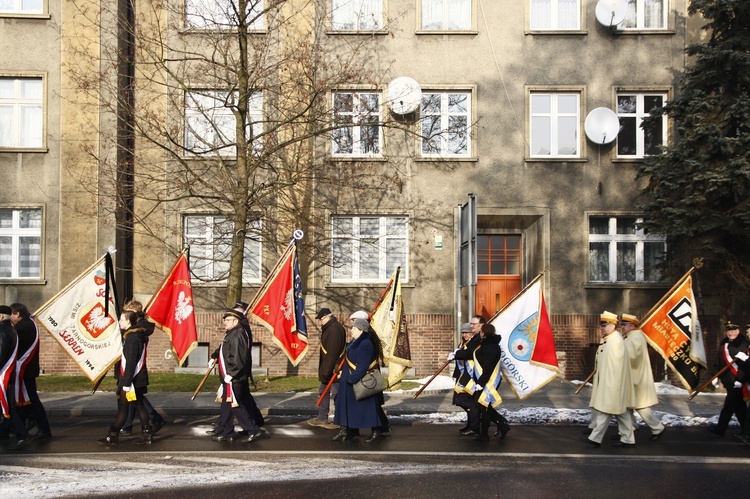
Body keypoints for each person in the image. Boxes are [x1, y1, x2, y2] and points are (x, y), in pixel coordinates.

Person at [582, 311, 636, 448]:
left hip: (613, 385)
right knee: (620, 413)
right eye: (601, 325)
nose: (601, 328)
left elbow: (617, 367)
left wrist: (612, 387)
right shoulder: (608, 339)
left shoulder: (615, 341)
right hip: (609, 384)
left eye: (604, 325)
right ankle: (628, 440)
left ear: (612, 326)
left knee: (606, 411)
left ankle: (595, 438)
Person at [98, 310, 153, 445]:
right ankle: (147, 434)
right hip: (138, 378)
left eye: (121, 319)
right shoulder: (136, 335)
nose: (119, 322)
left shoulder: (133, 338)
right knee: (139, 405)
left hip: (131, 379)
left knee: (124, 408)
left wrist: (126, 383)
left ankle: (112, 436)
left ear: (128, 321)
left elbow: (131, 362)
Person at [210, 308, 263, 443]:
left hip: (234, 377)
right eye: (225, 320)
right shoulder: (231, 333)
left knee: (236, 405)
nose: (225, 323)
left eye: (228, 320)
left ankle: (253, 430)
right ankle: (227, 432)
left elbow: (238, 358)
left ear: (236, 321)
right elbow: (225, 351)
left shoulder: (238, 335)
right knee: (227, 405)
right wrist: (214, 356)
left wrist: (232, 374)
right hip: (229, 377)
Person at [120, 300, 166, 436]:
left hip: (134, 369)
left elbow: (134, 354)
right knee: (135, 398)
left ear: (134, 313)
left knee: (136, 398)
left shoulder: (138, 330)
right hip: (130, 368)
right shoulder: (136, 328)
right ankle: (133, 424)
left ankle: (130, 425)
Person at [332, 318, 382, 442]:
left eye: (354, 328)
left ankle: (376, 430)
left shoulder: (365, 343)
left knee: (367, 409)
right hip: (347, 381)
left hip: (357, 381)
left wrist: (352, 379)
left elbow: (363, 365)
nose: (351, 330)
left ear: (361, 330)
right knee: (344, 407)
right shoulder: (354, 342)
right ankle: (344, 430)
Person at [10, 302, 51, 446]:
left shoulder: (22, 327)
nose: (10, 318)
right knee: (29, 398)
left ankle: (42, 427)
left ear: (17, 314)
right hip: (28, 368)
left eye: (11, 315)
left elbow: (15, 347)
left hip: (25, 369)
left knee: (31, 399)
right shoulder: (29, 323)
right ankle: (27, 423)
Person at [621, 313, 666, 441]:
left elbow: (632, 357)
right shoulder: (631, 336)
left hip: (635, 377)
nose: (622, 327)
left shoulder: (634, 337)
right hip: (632, 376)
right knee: (627, 404)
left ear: (631, 325)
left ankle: (657, 427)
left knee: (640, 405)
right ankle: (631, 428)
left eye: (624, 325)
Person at [351, 309, 390, 441]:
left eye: (354, 322)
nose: (352, 326)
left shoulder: (369, 338)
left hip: (369, 376)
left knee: (372, 405)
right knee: (373, 406)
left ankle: (378, 428)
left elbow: (368, 357)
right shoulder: (367, 336)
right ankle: (382, 426)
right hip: (368, 373)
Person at [306, 307, 346, 430]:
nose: (320, 321)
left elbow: (332, 353)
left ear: (328, 316)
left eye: (322, 319)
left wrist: (327, 371)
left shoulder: (334, 330)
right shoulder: (330, 328)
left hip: (333, 369)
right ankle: (322, 417)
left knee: (336, 394)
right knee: (323, 392)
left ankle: (339, 419)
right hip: (328, 368)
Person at [707, 321, 749, 437]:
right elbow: (719, 361)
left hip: (736, 381)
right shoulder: (724, 342)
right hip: (728, 380)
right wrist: (715, 376)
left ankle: (720, 429)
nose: (731, 333)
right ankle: (747, 430)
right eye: (729, 331)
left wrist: (740, 380)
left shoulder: (743, 343)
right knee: (739, 407)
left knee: (729, 406)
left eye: (733, 330)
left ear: (738, 331)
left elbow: (744, 365)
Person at [0, 305, 28, 445]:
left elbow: (1, 354)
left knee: (9, 406)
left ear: (1, 316)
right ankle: (4, 431)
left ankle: (21, 433)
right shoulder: (10, 329)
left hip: (3, 374)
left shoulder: (3, 331)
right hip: (8, 374)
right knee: (5, 405)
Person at [452, 322, 480, 434]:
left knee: (466, 401)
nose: (465, 335)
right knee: (460, 400)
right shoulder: (463, 343)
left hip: (470, 377)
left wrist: (457, 354)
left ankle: (474, 425)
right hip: (462, 376)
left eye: (467, 332)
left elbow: (468, 355)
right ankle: (471, 424)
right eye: (463, 332)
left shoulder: (473, 343)